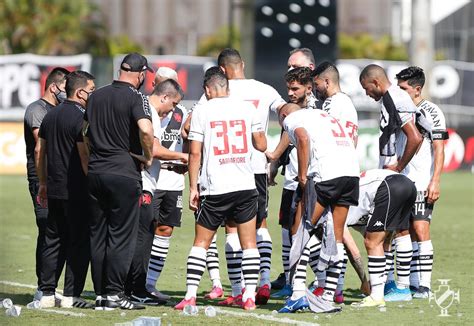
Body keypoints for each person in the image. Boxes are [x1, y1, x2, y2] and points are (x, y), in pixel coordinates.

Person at [174, 68, 267, 311]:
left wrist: (193, 187)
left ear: (207, 89)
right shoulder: (248, 107)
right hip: (245, 186)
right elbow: (262, 144)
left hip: (215, 187)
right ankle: (248, 296)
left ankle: (190, 295)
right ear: (228, 87)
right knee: (249, 245)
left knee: (201, 243)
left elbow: (195, 152)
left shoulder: (202, 109)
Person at [84, 53, 154, 311]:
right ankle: (115, 293)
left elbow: (85, 133)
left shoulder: (97, 95)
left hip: (95, 172)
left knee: (98, 235)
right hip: (123, 173)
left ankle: (101, 294)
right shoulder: (137, 97)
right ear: (141, 74)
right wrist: (147, 156)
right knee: (121, 236)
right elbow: (146, 130)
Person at [277, 103, 359, 313]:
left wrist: (303, 176)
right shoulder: (322, 115)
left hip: (326, 175)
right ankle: (330, 296)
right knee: (337, 237)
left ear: (284, 115)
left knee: (299, 231)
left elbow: (303, 139)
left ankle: (297, 295)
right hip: (351, 174)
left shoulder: (291, 118)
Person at [359, 64, 425, 302]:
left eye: (366, 88)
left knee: (399, 230)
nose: (367, 94)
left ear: (375, 82)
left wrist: (397, 166)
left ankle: (402, 287)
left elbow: (415, 137)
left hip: (400, 176)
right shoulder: (390, 98)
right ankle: (389, 284)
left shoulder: (396, 98)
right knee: (390, 232)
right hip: (393, 175)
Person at [36, 70, 96, 308]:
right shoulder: (82, 117)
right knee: (79, 241)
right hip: (77, 189)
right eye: (91, 90)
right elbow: (84, 155)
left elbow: (40, 151)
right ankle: (72, 295)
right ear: (81, 92)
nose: (93, 95)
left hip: (54, 187)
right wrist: (92, 182)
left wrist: (42, 182)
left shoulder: (51, 115)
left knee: (53, 240)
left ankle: (47, 293)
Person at [312, 61, 368, 301]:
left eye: (316, 85)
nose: (315, 89)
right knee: (337, 230)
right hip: (347, 170)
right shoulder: (346, 103)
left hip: (333, 172)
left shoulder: (334, 104)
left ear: (327, 81)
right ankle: (338, 286)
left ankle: (331, 284)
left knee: (313, 226)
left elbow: (326, 136)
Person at [127, 78, 186, 305]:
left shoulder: (170, 111)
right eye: (172, 104)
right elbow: (154, 147)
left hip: (165, 181)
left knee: (155, 232)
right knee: (142, 235)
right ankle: (135, 288)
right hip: (145, 182)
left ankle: (134, 287)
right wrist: (186, 157)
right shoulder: (147, 110)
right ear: (164, 95)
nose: (173, 110)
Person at [396, 66, 448, 299]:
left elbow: (439, 147)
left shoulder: (430, 110)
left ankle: (423, 285)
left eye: (403, 88)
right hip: (400, 181)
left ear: (417, 89)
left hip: (420, 182)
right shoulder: (398, 108)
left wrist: (435, 180)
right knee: (402, 231)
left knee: (420, 229)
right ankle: (408, 283)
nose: (399, 92)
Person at [23, 66, 69, 300]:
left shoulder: (61, 110)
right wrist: (42, 181)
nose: (67, 92)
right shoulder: (37, 110)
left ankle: (49, 286)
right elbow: (41, 145)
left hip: (60, 179)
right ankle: (43, 287)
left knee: (60, 231)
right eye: (64, 87)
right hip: (42, 179)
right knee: (47, 229)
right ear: (54, 87)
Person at [347, 169, 417, 308]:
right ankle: (402, 288)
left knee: (372, 242)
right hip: (407, 184)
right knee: (397, 234)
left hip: (389, 186)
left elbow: (350, 248)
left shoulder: (335, 213)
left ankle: (376, 296)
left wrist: (364, 280)